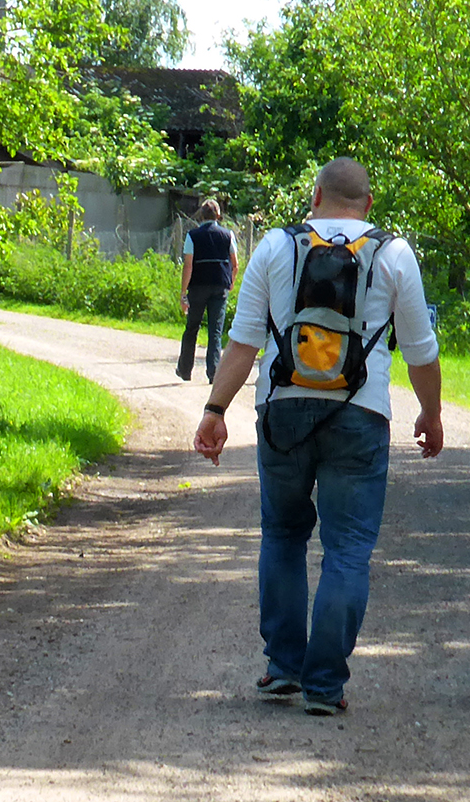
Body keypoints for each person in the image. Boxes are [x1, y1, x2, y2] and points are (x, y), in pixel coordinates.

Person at [193, 157, 444, 717]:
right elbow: (422, 352)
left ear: (315, 197)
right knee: (348, 548)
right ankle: (325, 685)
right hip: (360, 415)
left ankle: (283, 667)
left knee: (282, 535)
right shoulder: (394, 254)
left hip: (281, 409)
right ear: (369, 205)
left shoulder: (276, 248)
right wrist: (431, 413)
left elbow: (242, 342)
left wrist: (215, 409)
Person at [177, 199, 235, 383]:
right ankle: (213, 372)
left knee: (192, 328)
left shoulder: (192, 236)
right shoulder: (228, 235)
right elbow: (236, 264)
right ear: (218, 216)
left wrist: (183, 292)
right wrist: (231, 282)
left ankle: (185, 370)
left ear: (201, 215)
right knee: (215, 331)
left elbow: (188, 266)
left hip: (198, 287)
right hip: (220, 286)